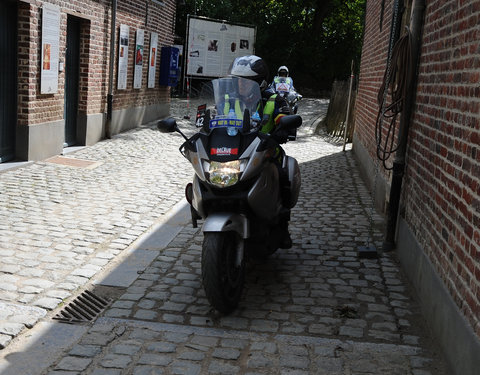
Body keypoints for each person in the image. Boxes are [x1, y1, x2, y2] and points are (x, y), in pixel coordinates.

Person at [229, 55, 293, 249]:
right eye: (238, 81)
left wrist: (282, 129)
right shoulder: (229, 100)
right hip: (237, 149)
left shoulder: (274, 100)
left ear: (261, 82)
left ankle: (282, 224)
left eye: (246, 82)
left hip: (266, 148)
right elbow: (217, 118)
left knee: (283, 174)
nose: (241, 86)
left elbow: (285, 118)